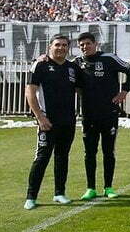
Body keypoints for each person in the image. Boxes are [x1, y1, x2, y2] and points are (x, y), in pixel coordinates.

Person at [74, 32, 130, 200]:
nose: (85, 47)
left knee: (108, 151)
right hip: (88, 115)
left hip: (109, 114)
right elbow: (60, 67)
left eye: (88, 43)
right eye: (81, 45)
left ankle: (108, 187)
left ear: (95, 44)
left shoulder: (108, 58)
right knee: (89, 152)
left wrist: (124, 90)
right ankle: (90, 188)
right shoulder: (77, 63)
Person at [24, 35, 85, 210]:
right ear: (50, 46)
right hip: (47, 121)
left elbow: (82, 90)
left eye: (64, 45)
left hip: (67, 121)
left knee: (62, 157)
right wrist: (40, 117)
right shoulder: (40, 65)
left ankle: (59, 193)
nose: (61, 48)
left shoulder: (72, 68)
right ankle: (31, 196)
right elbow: (30, 92)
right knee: (42, 158)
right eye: (57, 45)